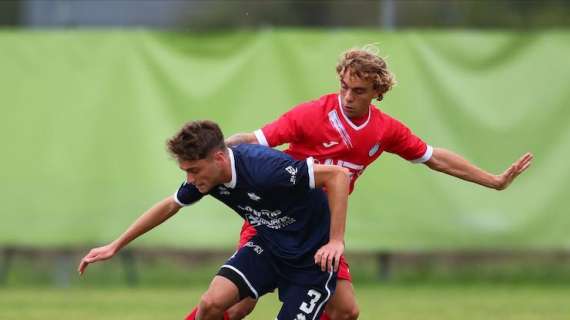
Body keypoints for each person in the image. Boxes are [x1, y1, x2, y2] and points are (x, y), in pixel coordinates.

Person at [201, 46, 534, 320]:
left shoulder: (384, 130)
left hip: (318, 232)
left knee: (346, 311)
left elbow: (434, 157)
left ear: (378, 91)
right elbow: (255, 139)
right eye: (343, 86)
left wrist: (493, 180)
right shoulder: (312, 114)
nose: (347, 96)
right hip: (276, 220)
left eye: (358, 91)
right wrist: (213, 153)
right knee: (235, 304)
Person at [78, 120, 351, 320]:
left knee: (347, 311)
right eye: (186, 171)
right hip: (268, 247)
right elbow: (170, 205)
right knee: (211, 303)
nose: (190, 180)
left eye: (194, 170)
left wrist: (336, 241)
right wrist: (116, 245)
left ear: (219, 158)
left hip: (311, 258)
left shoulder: (265, 168)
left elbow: (337, 177)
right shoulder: (206, 179)